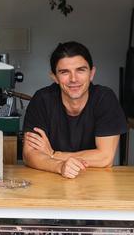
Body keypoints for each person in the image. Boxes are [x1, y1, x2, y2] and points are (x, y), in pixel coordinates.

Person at [22, 41, 127, 178]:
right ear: (55, 78)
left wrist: (54, 154)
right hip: (51, 178)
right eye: (64, 72)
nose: (73, 79)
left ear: (91, 73)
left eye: (80, 70)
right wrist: (60, 166)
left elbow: (105, 158)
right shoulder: (42, 99)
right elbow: (29, 154)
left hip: (95, 180)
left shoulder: (104, 98)